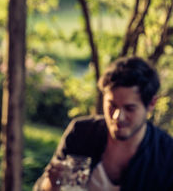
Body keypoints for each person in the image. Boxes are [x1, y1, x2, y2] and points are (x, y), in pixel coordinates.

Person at [33, 56, 173, 191]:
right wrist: (52, 183)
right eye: (112, 105)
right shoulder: (81, 133)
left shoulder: (166, 155)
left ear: (151, 104)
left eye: (129, 108)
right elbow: (43, 188)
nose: (118, 116)